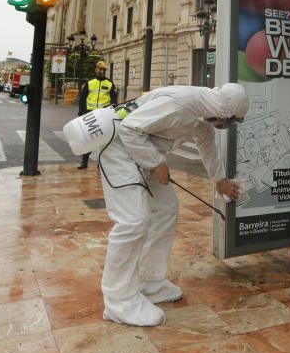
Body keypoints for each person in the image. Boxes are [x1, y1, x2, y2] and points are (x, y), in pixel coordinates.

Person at [66, 83, 247, 327]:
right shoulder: (181, 103)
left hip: (144, 155)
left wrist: (220, 181)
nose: (227, 126)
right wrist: (156, 163)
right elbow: (130, 128)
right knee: (133, 222)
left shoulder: (200, 117)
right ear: (225, 111)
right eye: (232, 121)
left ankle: (150, 282)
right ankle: (119, 302)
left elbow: (207, 147)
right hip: (119, 152)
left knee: (166, 210)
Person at [78, 60, 118, 169]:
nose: (101, 71)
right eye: (99, 69)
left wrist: (112, 112)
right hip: (89, 114)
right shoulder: (90, 82)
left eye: (103, 70)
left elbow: (114, 100)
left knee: (103, 139)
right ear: (95, 70)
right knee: (88, 138)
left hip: (103, 115)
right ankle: (84, 162)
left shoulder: (109, 83)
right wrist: (81, 111)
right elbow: (82, 98)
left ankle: (101, 163)